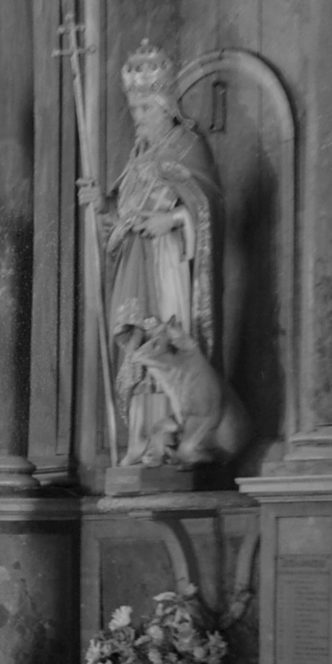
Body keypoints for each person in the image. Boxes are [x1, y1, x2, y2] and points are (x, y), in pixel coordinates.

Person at [102, 43, 238, 477]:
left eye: (145, 108)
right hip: (138, 261)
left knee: (165, 340)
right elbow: (122, 216)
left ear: (165, 107)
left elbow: (210, 206)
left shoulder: (187, 144)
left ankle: (171, 436)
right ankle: (141, 439)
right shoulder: (137, 157)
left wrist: (172, 219)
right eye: (134, 109)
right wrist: (101, 209)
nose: (138, 117)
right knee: (138, 345)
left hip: (170, 261)